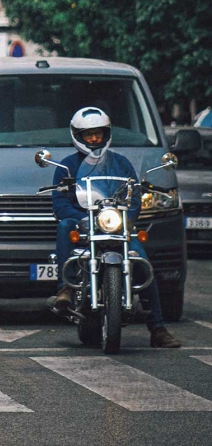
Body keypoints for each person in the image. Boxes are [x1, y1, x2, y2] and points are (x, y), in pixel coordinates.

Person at [50, 107, 180, 348]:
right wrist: (80, 218)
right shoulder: (67, 166)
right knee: (65, 225)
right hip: (85, 224)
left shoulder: (121, 163)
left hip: (116, 226)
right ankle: (65, 288)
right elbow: (59, 203)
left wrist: (129, 218)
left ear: (106, 133)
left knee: (142, 263)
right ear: (77, 136)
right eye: (88, 135)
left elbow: (134, 196)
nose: (94, 139)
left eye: (98, 133)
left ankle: (158, 328)